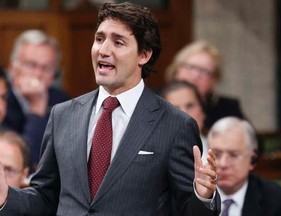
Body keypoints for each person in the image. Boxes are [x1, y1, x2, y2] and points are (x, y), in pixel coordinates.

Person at [0, 2, 220, 215]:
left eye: (118, 42)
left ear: (144, 55)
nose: (103, 50)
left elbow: (189, 209)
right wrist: (6, 197)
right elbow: (45, 198)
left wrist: (202, 196)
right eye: (99, 39)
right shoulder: (62, 115)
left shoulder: (175, 125)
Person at [2, 29, 70, 171]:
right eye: (31, 65)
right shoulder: (2, 99)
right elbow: (24, 162)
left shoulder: (62, 101)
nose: (38, 74)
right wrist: (37, 107)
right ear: (13, 68)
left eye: (46, 68)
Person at [208, 116, 281, 216]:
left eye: (234, 155)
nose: (223, 164)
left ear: (252, 160)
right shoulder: (194, 197)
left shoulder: (277, 200)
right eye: (217, 154)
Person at [165, 40, 245, 133]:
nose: (195, 75)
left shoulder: (227, 109)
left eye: (204, 71)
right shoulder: (153, 101)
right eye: (190, 67)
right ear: (175, 70)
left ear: (213, 80)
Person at [161, 80, 208, 163]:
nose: (184, 114)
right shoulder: (154, 158)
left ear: (202, 111)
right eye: (175, 109)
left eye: (190, 106)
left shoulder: (221, 153)